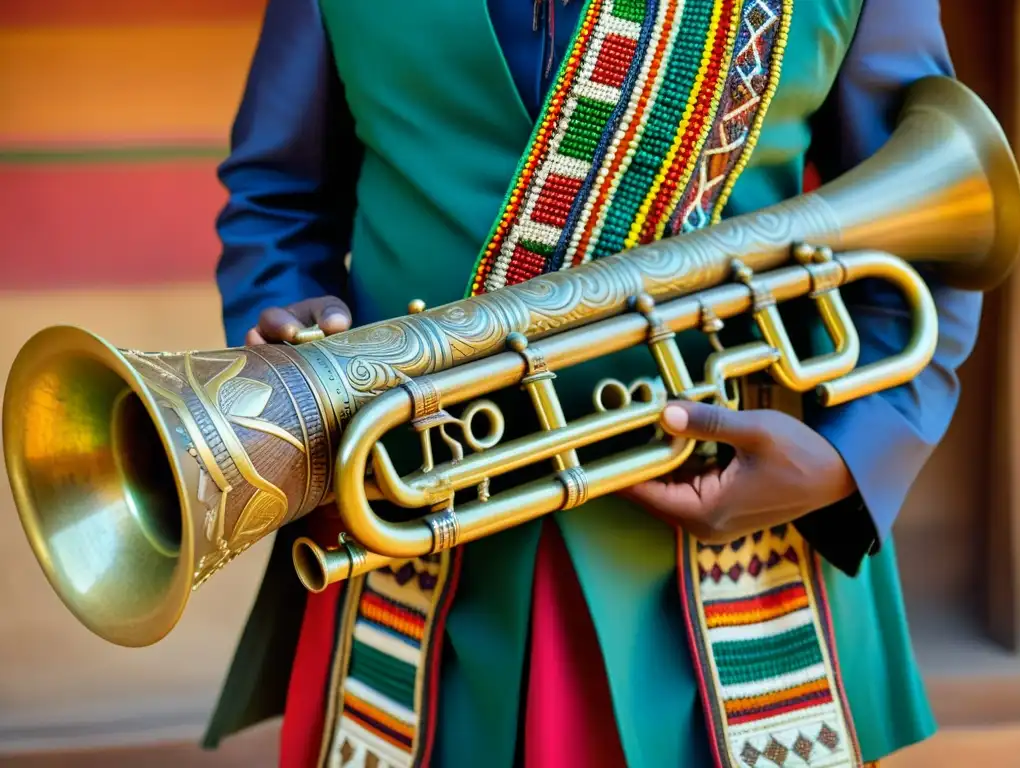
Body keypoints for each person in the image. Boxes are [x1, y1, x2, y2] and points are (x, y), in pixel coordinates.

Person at [203, 0, 981, 765]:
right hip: (404, 538)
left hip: (731, 560)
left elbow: (937, 208)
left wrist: (850, 461)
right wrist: (288, 334)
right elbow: (278, 198)